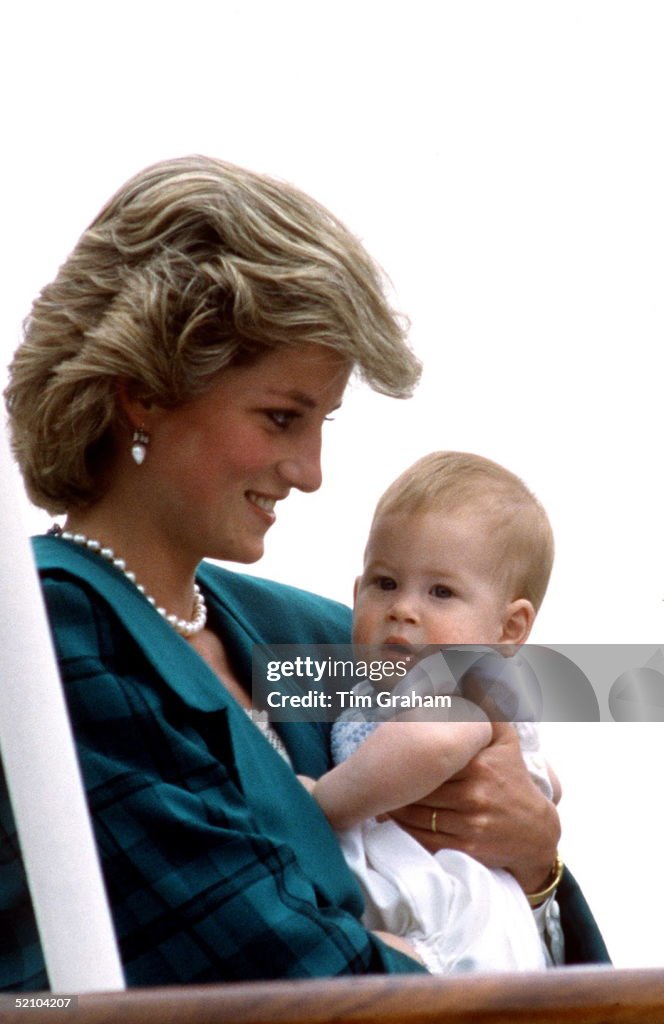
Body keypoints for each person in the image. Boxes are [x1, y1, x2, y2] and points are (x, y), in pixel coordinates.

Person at [0, 156, 607, 991]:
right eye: (282, 417)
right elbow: (278, 967)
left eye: (322, 422)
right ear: (144, 394)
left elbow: (518, 914)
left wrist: (536, 861)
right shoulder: (51, 633)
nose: (312, 470)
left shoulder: (318, 633)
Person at [305, 451, 568, 972]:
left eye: (441, 592)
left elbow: (433, 744)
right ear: (355, 594)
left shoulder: (463, 681)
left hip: (454, 922)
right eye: (384, 584)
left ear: (509, 629)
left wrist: (318, 805)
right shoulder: (382, 689)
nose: (404, 608)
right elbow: (548, 785)